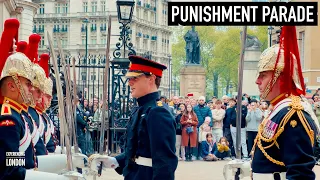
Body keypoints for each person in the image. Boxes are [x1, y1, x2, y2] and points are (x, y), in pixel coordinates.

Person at [0, 18, 84, 179]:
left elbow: (32, 162)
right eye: (27, 84)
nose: (31, 90)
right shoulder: (9, 119)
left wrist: (69, 160)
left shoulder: (18, 115)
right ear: (11, 86)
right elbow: (12, 172)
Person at [88, 55, 178, 180]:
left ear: (151, 79)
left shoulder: (157, 112)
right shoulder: (141, 109)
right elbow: (136, 150)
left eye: (135, 78)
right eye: (130, 78)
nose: (130, 82)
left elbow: (165, 163)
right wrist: (115, 160)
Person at [251, 26, 319, 179]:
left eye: (263, 75)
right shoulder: (278, 109)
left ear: (280, 78)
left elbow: (300, 173)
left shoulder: (293, 114)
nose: (257, 81)